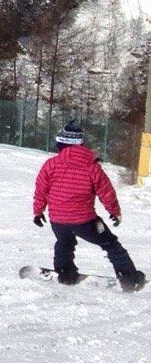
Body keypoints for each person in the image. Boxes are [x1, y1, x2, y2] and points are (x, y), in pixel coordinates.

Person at [33, 121, 145, 291]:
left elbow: (41, 189)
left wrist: (38, 211)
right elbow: (106, 191)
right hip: (85, 221)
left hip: (58, 220)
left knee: (64, 243)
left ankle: (65, 273)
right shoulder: (91, 166)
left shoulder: (51, 164)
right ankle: (129, 278)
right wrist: (114, 211)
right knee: (111, 244)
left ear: (61, 144)